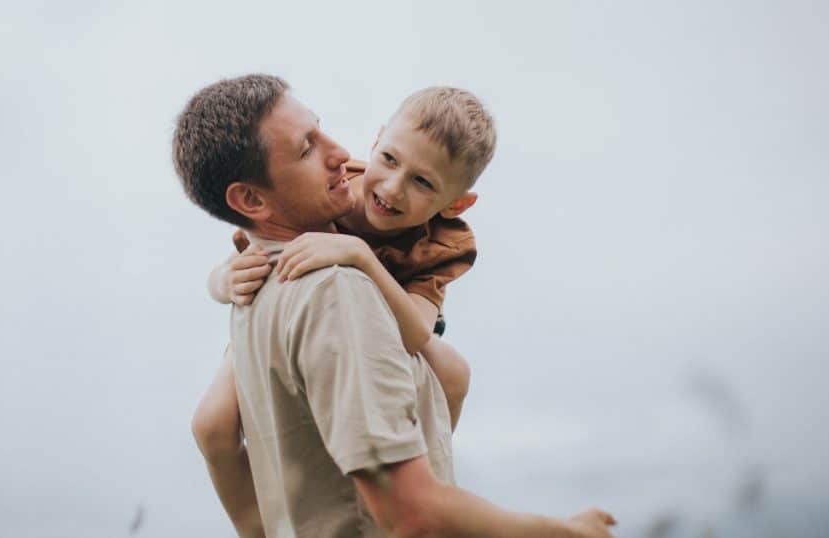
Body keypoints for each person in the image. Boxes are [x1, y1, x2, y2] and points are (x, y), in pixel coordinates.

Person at [174, 73, 616, 537]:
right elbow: (249, 246)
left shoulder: (435, 244)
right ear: (379, 139)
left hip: (397, 316)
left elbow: (418, 333)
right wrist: (223, 280)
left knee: (452, 373)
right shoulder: (338, 204)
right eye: (307, 146)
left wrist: (361, 257)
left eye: (423, 182)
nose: (391, 187)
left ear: (456, 203)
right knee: (211, 424)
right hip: (340, 319)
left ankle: (419, 467)